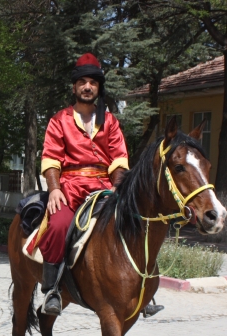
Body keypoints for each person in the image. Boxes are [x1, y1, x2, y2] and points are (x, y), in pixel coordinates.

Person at [38, 52, 163, 317]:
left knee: (136, 222)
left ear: (98, 87)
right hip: (69, 187)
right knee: (59, 224)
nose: (87, 87)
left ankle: (146, 289)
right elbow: (50, 159)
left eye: (93, 82)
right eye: (82, 82)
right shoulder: (59, 120)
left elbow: (119, 160)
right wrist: (54, 189)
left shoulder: (111, 122)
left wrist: (119, 188)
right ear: (74, 87)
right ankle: (52, 289)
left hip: (104, 187)